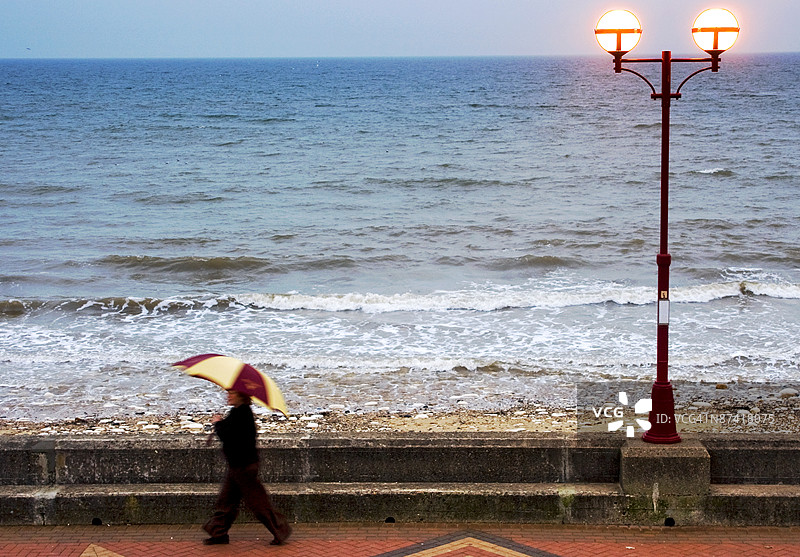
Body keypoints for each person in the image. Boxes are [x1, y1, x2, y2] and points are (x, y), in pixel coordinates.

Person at [202, 389, 292, 546]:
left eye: (232, 393)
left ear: (241, 396)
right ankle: (218, 533)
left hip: (244, 467)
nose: (228, 395)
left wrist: (217, 423)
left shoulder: (243, 414)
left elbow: (229, 435)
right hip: (238, 466)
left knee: (258, 503)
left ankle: (280, 530)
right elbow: (229, 430)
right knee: (227, 501)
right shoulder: (237, 412)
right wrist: (220, 423)